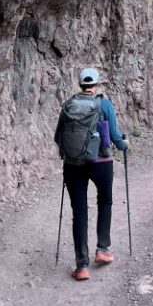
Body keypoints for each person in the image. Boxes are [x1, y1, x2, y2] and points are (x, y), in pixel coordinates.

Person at [55, 67, 128, 281]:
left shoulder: (69, 105)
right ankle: (103, 249)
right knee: (104, 202)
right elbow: (115, 136)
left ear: (80, 84)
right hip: (101, 163)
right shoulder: (103, 104)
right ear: (96, 84)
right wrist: (125, 145)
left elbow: (58, 136)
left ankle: (82, 266)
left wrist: (68, 155)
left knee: (79, 211)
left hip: (73, 164)